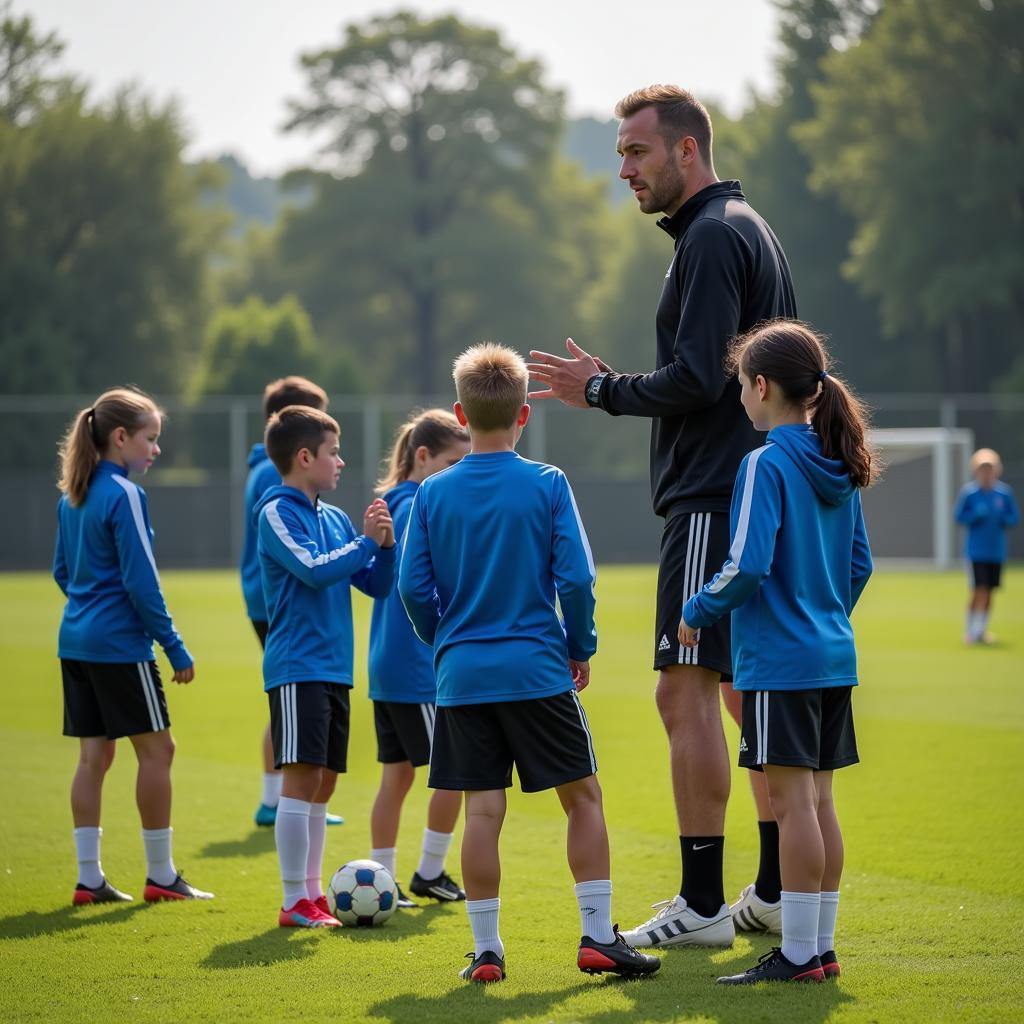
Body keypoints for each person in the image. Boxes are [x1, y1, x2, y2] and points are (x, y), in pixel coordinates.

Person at [526, 84, 796, 947]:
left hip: (713, 497)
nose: (624, 170)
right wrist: (617, 384)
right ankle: (778, 889)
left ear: (687, 150)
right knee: (737, 691)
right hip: (744, 489)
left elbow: (699, 380)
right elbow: (706, 373)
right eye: (619, 155)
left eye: (636, 152)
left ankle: (704, 904)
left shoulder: (713, 236)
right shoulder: (741, 226)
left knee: (683, 695)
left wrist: (599, 391)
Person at [399, 343, 660, 982]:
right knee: (584, 800)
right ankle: (597, 936)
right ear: (525, 415)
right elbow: (576, 578)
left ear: (461, 414)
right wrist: (581, 646)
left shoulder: (431, 495)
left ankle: (487, 950)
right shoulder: (547, 483)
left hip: (463, 677)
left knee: (483, 812)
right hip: (537, 670)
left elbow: (411, 588)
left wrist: (445, 643)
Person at [678, 320, 873, 984]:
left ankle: (797, 954)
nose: (737, 398)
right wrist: (823, 617)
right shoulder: (838, 462)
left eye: (739, 386)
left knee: (794, 808)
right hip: (830, 659)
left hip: (780, 664)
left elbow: (747, 564)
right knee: (818, 805)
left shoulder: (765, 461)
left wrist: (695, 611)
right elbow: (859, 565)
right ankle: (818, 948)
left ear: (762, 387)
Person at [54, 387, 213, 904]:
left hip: (74, 641)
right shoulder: (124, 494)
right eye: (151, 438)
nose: (156, 449)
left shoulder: (71, 495)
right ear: (120, 437)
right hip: (118, 647)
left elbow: (64, 572)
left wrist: (87, 607)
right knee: (158, 750)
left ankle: (88, 879)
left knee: (93, 759)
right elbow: (142, 582)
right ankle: (162, 875)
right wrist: (175, 645)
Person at [255, 406, 395, 928]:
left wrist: (386, 545)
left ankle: (313, 895)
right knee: (301, 777)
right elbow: (314, 571)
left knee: (326, 780)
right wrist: (365, 543)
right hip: (297, 665)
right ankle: (294, 900)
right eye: (333, 452)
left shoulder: (334, 517)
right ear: (305, 457)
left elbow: (376, 586)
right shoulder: (276, 511)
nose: (341, 461)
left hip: (335, 667)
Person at [368, 409, 471, 908]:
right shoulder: (417, 505)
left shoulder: (388, 502)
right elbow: (420, 583)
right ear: (422, 457)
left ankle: (380, 877)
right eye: (452, 462)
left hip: (386, 667)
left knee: (397, 775)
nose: (458, 472)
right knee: (458, 769)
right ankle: (429, 871)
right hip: (418, 668)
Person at [242, 376, 344, 829]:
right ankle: (274, 797)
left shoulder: (325, 508)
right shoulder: (274, 479)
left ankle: (286, 797)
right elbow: (307, 563)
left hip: (295, 603)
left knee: (303, 717)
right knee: (292, 697)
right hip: (278, 600)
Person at [954, 448, 1019, 645]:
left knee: (989, 591)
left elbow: (1013, 517)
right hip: (976, 551)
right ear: (976, 470)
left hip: (996, 551)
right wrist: (975, 515)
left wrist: (1002, 518)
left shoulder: (1004, 493)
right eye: (983, 468)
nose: (986, 472)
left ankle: (981, 630)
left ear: (996, 470)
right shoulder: (970, 493)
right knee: (978, 589)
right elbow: (958, 517)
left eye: (990, 468)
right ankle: (970, 630)